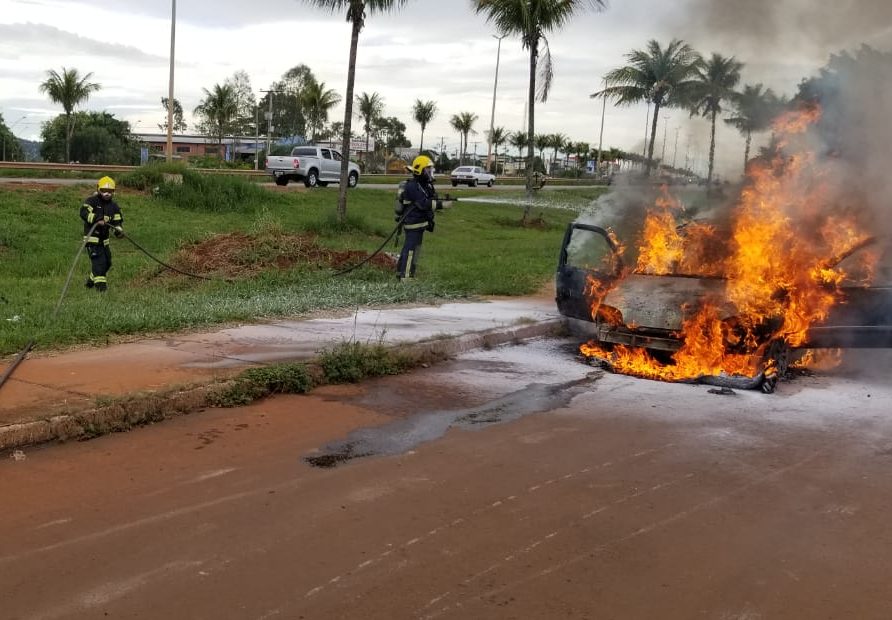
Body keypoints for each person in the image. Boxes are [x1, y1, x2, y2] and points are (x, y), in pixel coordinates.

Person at [396, 155, 437, 280]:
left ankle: (402, 274)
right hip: (413, 223)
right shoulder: (413, 186)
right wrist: (441, 205)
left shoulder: (424, 185)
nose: (430, 172)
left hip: (419, 224)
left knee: (412, 250)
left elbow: (431, 197)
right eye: (428, 169)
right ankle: (406, 277)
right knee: (410, 251)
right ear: (420, 170)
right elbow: (423, 203)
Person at [80, 176, 124, 292]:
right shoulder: (92, 201)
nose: (106, 194)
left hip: (104, 242)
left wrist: (118, 230)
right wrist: (96, 218)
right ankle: (101, 290)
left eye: (110, 191)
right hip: (92, 240)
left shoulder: (114, 206)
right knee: (99, 263)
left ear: (113, 192)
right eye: (104, 191)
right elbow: (83, 212)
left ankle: (90, 281)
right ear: (98, 189)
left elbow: (117, 220)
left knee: (107, 263)